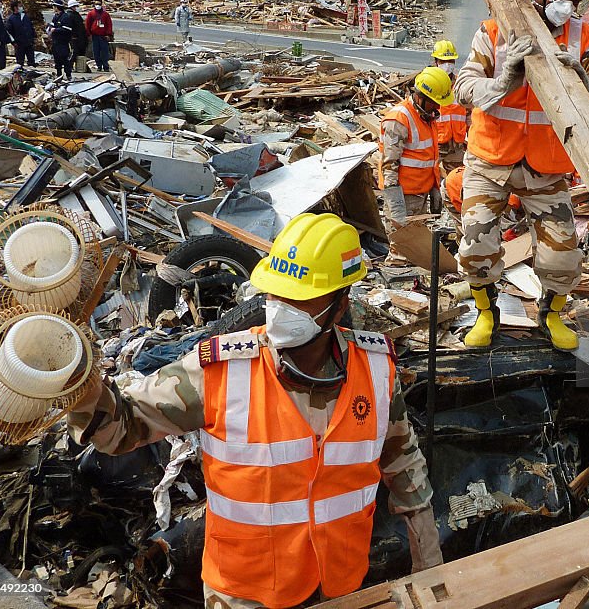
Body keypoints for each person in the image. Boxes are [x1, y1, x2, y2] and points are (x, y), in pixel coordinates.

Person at [67, 213, 442, 608]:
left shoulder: (377, 370)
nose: (280, 308)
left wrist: (432, 570)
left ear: (339, 305)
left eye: (298, 298)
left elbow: (405, 467)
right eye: (275, 294)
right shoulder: (219, 371)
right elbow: (115, 429)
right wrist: (76, 377)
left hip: (338, 587)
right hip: (245, 595)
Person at [453, 0, 589, 350]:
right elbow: (462, 87)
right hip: (490, 158)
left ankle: (552, 314)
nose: (568, 6)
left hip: (546, 166)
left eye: (576, 0)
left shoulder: (585, 39)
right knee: (476, 247)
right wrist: (501, 83)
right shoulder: (495, 31)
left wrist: (586, 85)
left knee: (563, 257)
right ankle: (486, 312)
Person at [379, 67, 455, 255]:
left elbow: (428, 157)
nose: (438, 107)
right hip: (404, 196)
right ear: (421, 96)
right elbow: (389, 164)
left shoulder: (426, 117)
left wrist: (435, 189)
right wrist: (396, 206)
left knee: (415, 248)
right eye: (435, 103)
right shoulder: (398, 120)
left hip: (421, 192)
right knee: (402, 250)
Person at [429, 40, 468, 170]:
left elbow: (468, 113)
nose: (447, 65)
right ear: (436, 61)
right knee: (428, 176)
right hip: (435, 142)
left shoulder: (459, 84)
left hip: (457, 143)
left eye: (450, 61)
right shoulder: (429, 84)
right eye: (443, 61)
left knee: (455, 180)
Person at [46, 0, 73, 80]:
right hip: (55, 42)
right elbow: (52, 25)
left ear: (57, 7)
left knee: (65, 59)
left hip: (63, 42)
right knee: (57, 60)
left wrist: (56, 30)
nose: (53, 8)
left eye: (54, 6)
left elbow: (68, 29)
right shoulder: (55, 16)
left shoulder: (65, 17)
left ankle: (68, 75)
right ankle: (59, 75)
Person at [5, 0, 36, 67]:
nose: (21, 7)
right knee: (20, 63)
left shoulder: (25, 16)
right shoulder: (11, 19)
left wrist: (33, 38)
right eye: (20, 6)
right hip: (19, 44)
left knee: (31, 62)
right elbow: (9, 32)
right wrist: (13, 42)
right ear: (15, 8)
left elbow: (31, 27)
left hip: (29, 43)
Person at [85, 0, 114, 71]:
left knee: (104, 52)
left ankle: (105, 66)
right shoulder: (91, 14)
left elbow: (109, 25)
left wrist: (108, 34)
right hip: (95, 36)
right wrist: (89, 34)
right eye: (96, 4)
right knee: (96, 52)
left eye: (99, 4)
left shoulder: (105, 14)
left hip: (103, 36)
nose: (98, 5)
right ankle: (99, 66)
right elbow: (87, 24)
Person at [64, 0, 88, 71]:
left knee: (80, 53)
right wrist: (73, 36)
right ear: (72, 7)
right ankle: (69, 66)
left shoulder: (76, 15)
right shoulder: (70, 16)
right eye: (76, 6)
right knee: (74, 53)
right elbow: (70, 27)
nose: (77, 7)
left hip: (80, 37)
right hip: (75, 38)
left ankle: (81, 67)